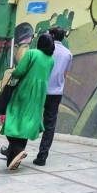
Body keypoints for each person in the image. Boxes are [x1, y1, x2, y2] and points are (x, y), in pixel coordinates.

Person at [1, 33, 55, 170]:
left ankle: (17, 150)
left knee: (12, 117)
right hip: (40, 94)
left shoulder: (32, 53)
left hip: (25, 89)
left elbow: (19, 72)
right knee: (27, 121)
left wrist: (12, 75)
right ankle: (14, 157)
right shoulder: (51, 60)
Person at [34, 27, 73, 166]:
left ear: (51, 35)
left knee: (28, 116)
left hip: (39, 90)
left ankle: (15, 150)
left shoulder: (43, 51)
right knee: (50, 124)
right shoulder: (68, 54)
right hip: (56, 92)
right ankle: (42, 157)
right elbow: (65, 75)